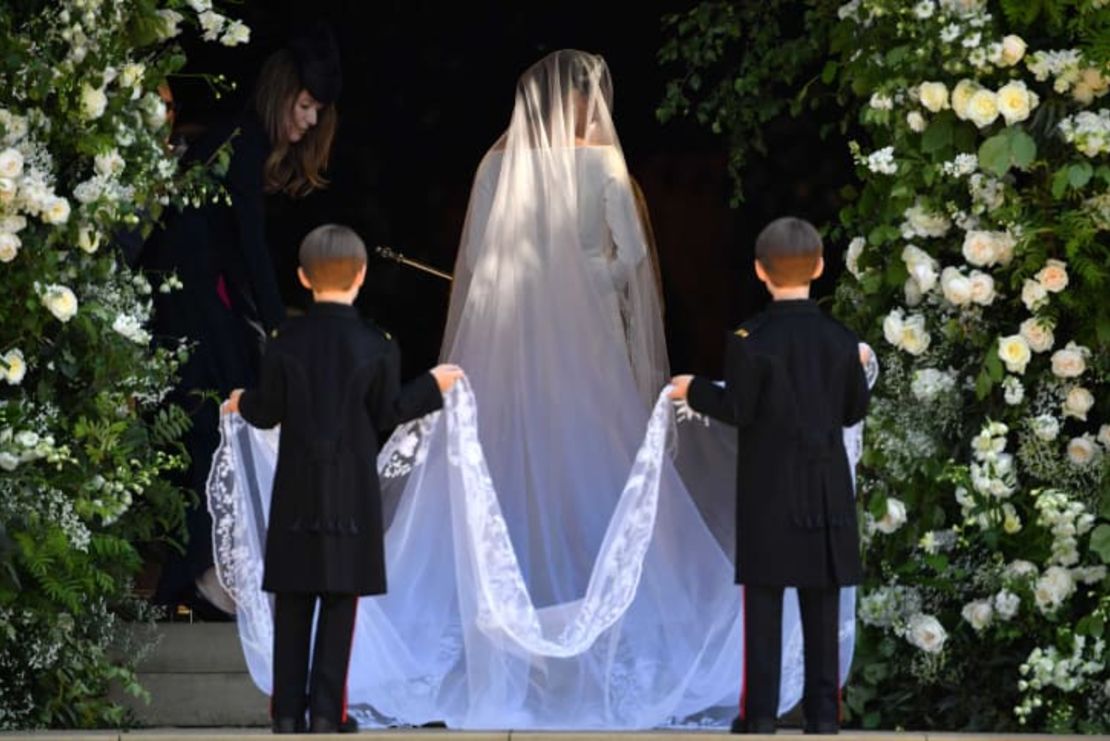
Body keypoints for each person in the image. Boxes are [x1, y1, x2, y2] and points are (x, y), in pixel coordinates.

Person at [223, 224, 463, 732]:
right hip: (350, 498)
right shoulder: (378, 344)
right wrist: (433, 386)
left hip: (295, 495)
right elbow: (389, 412)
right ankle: (328, 714)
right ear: (362, 275)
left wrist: (240, 400)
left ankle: (287, 713)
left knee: (291, 601)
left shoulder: (283, 341)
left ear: (302, 278)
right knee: (338, 605)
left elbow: (265, 413)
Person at [144, 23, 342, 615]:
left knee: (218, 436)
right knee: (213, 434)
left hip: (201, 309)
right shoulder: (240, 140)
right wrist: (277, 329)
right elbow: (249, 248)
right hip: (192, 313)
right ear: (284, 93)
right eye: (305, 106)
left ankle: (203, 580)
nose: (308, 121)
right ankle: (203, 581)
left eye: (317, 111)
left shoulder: (239, 140)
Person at [669, 217, 871, 735]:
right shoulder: (842, 340)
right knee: (821, 609)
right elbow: (852, 411)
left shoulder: (749, 339)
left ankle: (759, 718)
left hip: (768, 495)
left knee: (763, 609)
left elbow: (738, 407)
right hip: (826, 493)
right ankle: (824, 718)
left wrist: (692, 388)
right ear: (821, 267)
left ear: (760, 271)